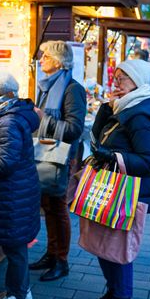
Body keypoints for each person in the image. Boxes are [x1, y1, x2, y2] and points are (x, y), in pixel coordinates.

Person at [85, 59, 150, 299]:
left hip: (128, 192)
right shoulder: (123, 107)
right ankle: (113, 292)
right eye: (115, 77)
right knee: (107, 245)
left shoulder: (139, 115)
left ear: (136, 82)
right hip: (114, 187)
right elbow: (96, 138)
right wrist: (105, 109)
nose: (116, 82)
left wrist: (112, 157)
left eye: (122, 78)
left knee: (118, 247)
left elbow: (149, 162)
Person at [0, 72, 40, 299]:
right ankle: (20, 288)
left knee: (15, 248)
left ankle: (19, 297)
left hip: (13, 193)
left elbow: (4, 164)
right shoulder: (7, 115)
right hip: (17, 191)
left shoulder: (7, 121)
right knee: (16, 247)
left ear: (2, 94)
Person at [29, 40, 86, 281]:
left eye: (45, 57)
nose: (41, 61)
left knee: (59, 207)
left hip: (63, 157)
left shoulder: (72, 89)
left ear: (59, 62)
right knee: (49, 205)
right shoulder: (48, 85)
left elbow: (75, 128)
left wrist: (43, 120)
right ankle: (51, 254)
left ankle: (62, 259)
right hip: (46, 154)